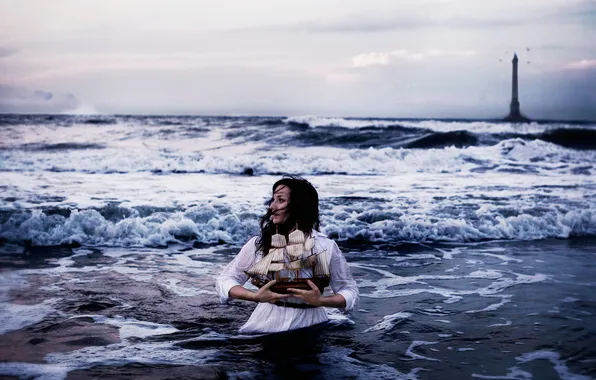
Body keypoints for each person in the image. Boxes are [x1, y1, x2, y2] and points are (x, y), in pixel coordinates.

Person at [215, 176, 359, 334]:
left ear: (299, 206)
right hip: (265, 325)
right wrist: (254, 296)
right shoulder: (259, 244)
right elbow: (225, 279)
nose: (272, 207)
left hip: (314, 325)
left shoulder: (325, 246)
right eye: (273, 200)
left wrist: (321, 301)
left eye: (280, 200)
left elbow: (349, 289)